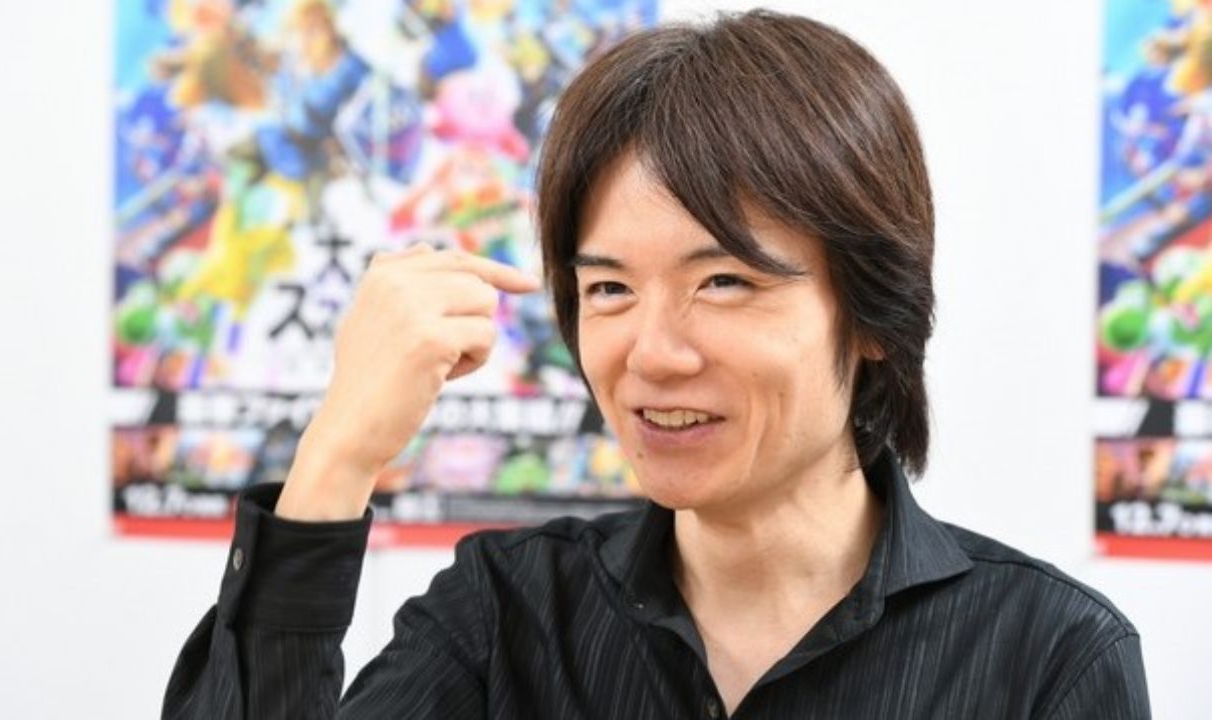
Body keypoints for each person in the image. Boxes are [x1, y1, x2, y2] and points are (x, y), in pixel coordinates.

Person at [163, 10, 1151, 719]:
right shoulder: (509, 614)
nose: (652, 353)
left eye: (722, 282)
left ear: (872, 315)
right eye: (608, 288)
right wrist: (336, 454)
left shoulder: (1044, 656)